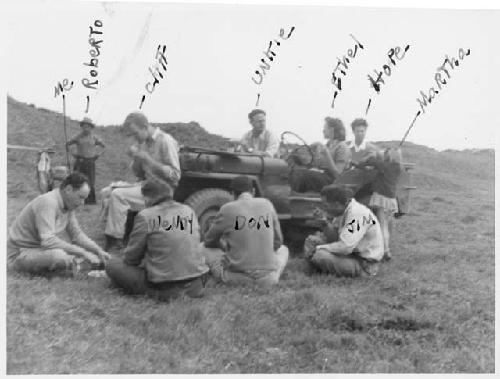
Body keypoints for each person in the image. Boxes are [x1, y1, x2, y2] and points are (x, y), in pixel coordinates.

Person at [105, 176, 209, 301]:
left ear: (147, 198)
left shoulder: (146, 216)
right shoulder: (188, 210)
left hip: (166, 287)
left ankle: (158, 293)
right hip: (198, 284)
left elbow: (131, 259)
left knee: (111, 264)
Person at [102, 112, 181, 250]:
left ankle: (116, 240)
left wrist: (148, 160)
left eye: (135, 133)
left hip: (161, 190)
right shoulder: (143, 143)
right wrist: (135, 159)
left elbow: (175, 175)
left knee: (118, 195)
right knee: (107, 191)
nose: (134, 138)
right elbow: (139, 173)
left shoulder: (165, 140)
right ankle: (112, 234)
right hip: (146, 185)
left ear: (145, 127)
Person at [7, 172, 110, 276]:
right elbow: (48, 241)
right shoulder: (48, 202)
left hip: (39, 251)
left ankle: (79, 266)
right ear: (68, 189)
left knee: (67, 255)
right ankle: (79, 267)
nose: (82, 203)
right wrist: (83, 252)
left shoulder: (68, 206)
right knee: (58, 256)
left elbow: (77, 235)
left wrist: (98, 250)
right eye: (80, 197)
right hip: (19, 254)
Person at [202, 176, 289, 285]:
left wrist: (224, 247)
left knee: (202, 247)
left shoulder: (227, 208)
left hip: (235, 278)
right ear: (253, 191)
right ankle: (272, 272)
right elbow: (278, 242)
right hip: (268, 278)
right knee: (284, 250)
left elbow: (208, 241)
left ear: (233, 194)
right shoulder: (267, 204)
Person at [305, 184, 383, 277]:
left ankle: (319, 268)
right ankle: (315, 270)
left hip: (363, 264)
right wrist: (324, 223)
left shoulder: (357, 214)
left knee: (320, 255)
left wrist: (320, 248)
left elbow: (345, 248)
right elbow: (335, 238)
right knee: (311, 240)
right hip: (350, 255)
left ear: (336, 204)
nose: (324, 208)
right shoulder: (342, 212)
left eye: (326, 205)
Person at [355, 147, 403, 260]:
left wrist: (375, 154)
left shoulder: (384, 166)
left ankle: (385, 251)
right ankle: (386, 249)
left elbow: (367, 163)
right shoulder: (398, 167)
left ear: (389, 156)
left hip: (382, 199)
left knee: (383, 226)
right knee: (386, 224)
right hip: (391, 200)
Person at [290, 117, 351, 193]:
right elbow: (317, 166)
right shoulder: (327, 146)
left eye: (325, 128)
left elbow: (338, 174)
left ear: (331, 130)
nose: (323, 130)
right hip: (322, 176)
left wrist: (327, 155)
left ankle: (292, 196)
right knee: (293, 169)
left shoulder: (342, 147)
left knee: (300, 173)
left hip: (332, 181)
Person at [66, 117, 106, 204]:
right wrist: (73, 154)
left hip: (90, 162)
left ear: (91, 127)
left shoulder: (94, 138)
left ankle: (90, 201)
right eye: (84, 126)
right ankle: (75, 199)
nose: (86, 128)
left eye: (88, 126)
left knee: (90, 181)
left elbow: (103, 146)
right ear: (82, 127)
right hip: (79, 161)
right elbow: (67, 144)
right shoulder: (78, 137)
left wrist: (98, 154)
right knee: (77, 180)